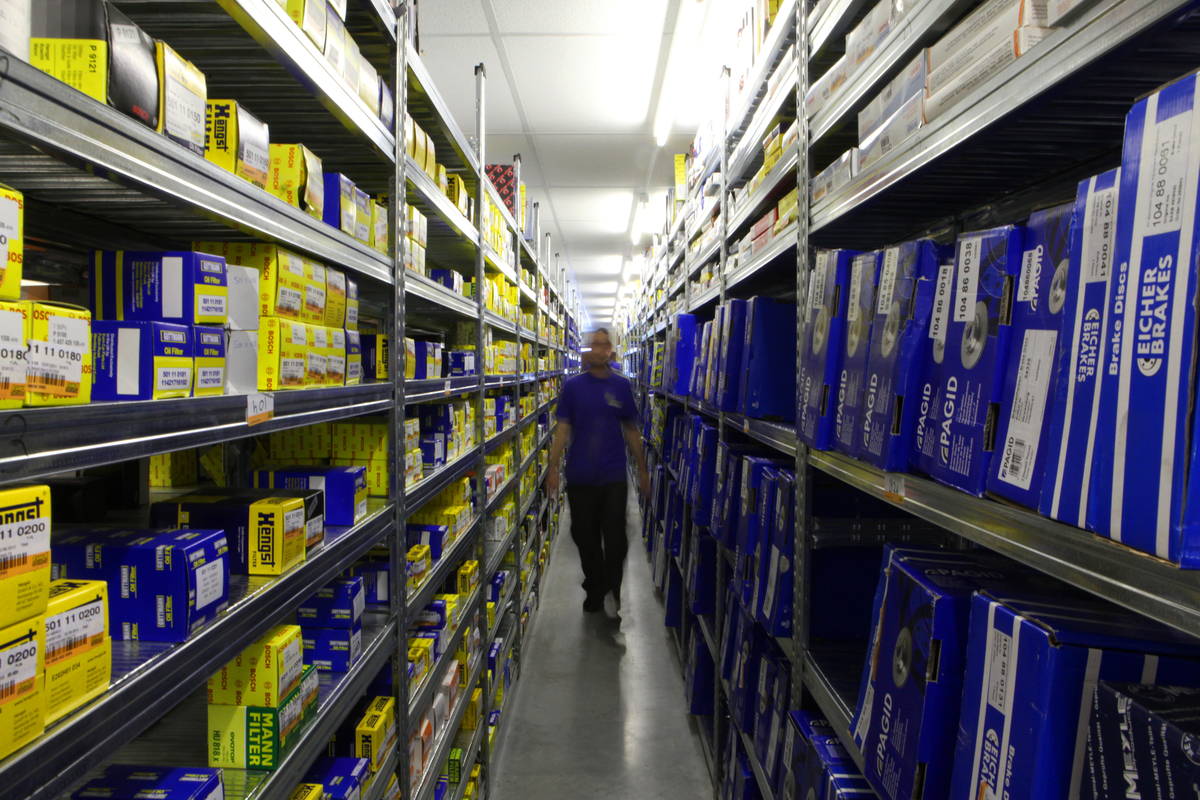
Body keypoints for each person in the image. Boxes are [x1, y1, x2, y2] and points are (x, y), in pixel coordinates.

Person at [548, 327, 650, 613]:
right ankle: (596, 585)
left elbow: (632, 431)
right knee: (584, 537)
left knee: (616, 540)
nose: (599, 349)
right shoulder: (573, 387)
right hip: (580, 476)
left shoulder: (622, 386)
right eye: (595, 345)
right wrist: (552, 467)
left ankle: (612, 586)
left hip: (613, 475)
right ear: (590, 350)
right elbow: (562, 430)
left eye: (605, 345)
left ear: (610, 351)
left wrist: (643, 471)